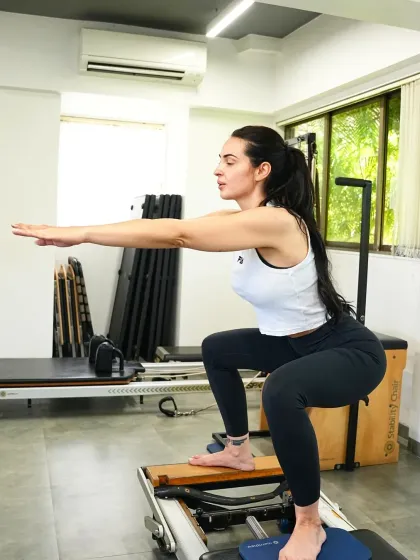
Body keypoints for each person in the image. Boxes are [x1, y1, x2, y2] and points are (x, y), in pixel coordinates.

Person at [12, 125, 387, 560]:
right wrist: (84, 228)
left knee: (281, 388)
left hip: (347, 350)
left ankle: (308, 524)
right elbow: (167, 227)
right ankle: (237, 450)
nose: (218, 170)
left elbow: (180, 237)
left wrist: (80, 233)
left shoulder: (277, 220)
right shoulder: (241, 220)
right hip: (294, 342)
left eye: (230, 162)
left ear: (261, 169)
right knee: (218, 348)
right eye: (219, 161)